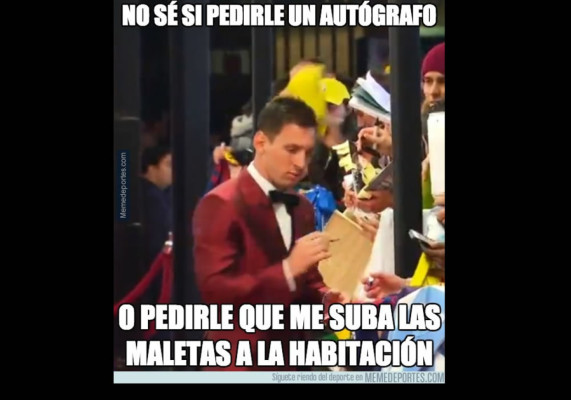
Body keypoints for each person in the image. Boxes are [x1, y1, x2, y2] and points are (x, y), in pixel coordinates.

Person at [192, 97, 348, 371]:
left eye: (308, 153)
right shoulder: (221, 203)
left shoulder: (301, 207)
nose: (301, 163)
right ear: (261, 142)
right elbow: (216, 293)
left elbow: (306, 282)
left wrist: (328, 300)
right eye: (291, 149)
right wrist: (288, 269)